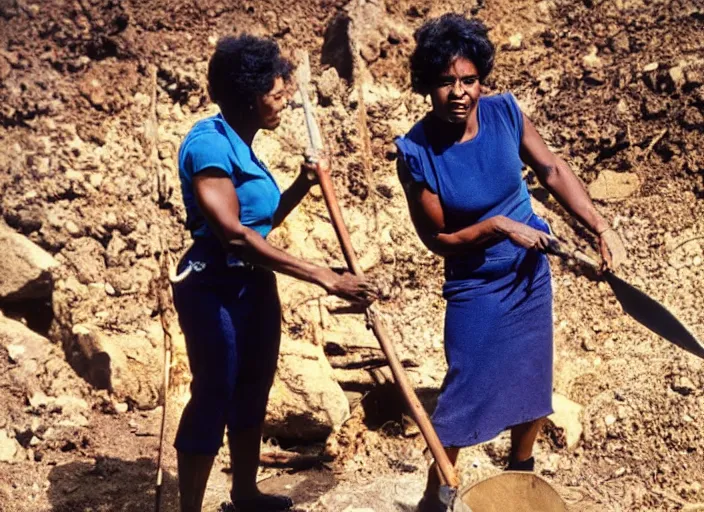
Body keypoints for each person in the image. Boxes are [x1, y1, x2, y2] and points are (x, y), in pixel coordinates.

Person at [394, 14, 627, 511]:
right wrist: (499, 226)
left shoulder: (505, 114)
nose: (459, 93)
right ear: (427, 85)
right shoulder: (416, 151)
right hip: (475, 284)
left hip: (527, 277)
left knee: (531, 383)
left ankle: (521, 479)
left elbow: (552, 168)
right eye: (445, 82)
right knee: (462, 395)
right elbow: (440, 239)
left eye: (469, 80)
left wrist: (601, 227)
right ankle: (438, 497)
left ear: (482, 80)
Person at [172, 34, 374, 512]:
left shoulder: (245, 146)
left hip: (252, 283)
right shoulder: (208, 144)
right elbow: (234, 236)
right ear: (248, 96)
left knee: (254, 384)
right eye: (277, 95)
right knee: (214, 389)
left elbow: (260, 223)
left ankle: (244, 493)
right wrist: (326, 276)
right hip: (212, 284)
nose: (284, 103)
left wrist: (302, 185)